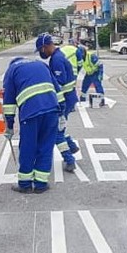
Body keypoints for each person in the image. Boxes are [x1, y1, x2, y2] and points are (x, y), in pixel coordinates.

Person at [2, 55, 63, 194]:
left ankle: (25, 184)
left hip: (31, 113)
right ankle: (41, 184)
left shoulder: (12, 70)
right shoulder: (42, 64)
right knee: (46, 147)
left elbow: (9, 102)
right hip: (52, 110)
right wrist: (62, 113)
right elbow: (57, 90)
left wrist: (9, 125)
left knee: (28, 148)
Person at [37, 32, 79, 173]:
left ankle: (69, 160)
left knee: (56, 132)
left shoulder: (56, 60)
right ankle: (71, 146)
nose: (41, 53)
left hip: (64, 100)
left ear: (46, 46)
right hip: (68, 98)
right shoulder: (57, 56)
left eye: (41, 50)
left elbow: (59, 83)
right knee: (60, 126)